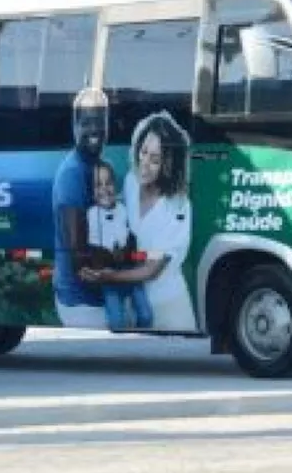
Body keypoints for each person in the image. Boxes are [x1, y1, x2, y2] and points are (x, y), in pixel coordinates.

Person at [119, 111, 198, 332]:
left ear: (169, 165)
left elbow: (152, 269)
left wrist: (108, 276)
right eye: (143, 152)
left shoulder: (179, 206)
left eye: (155, 160)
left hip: (170, 308)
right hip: (136, 304)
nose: (144, 163)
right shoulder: (130, 183)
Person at [51, 88, 112, 327]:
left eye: (100, 121)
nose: (95, 129)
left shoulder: (98, 167)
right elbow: (78, 252)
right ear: (74, 127)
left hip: (96, 293)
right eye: (87, 122)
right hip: (81, 301)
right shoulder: (72, 175)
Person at [84, 161, 153, 330]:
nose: (105, 189)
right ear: (92, 192)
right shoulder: (92, 215)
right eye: (98, 185)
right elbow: (93, 251)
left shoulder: (123, 210)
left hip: (129, 272)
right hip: (109, 276)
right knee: (117, 323)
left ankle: (140, 339)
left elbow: (131, 239)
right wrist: (109, 260)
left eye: (108, 183)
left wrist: (126, 254)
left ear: (115, 186)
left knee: (146, 316)